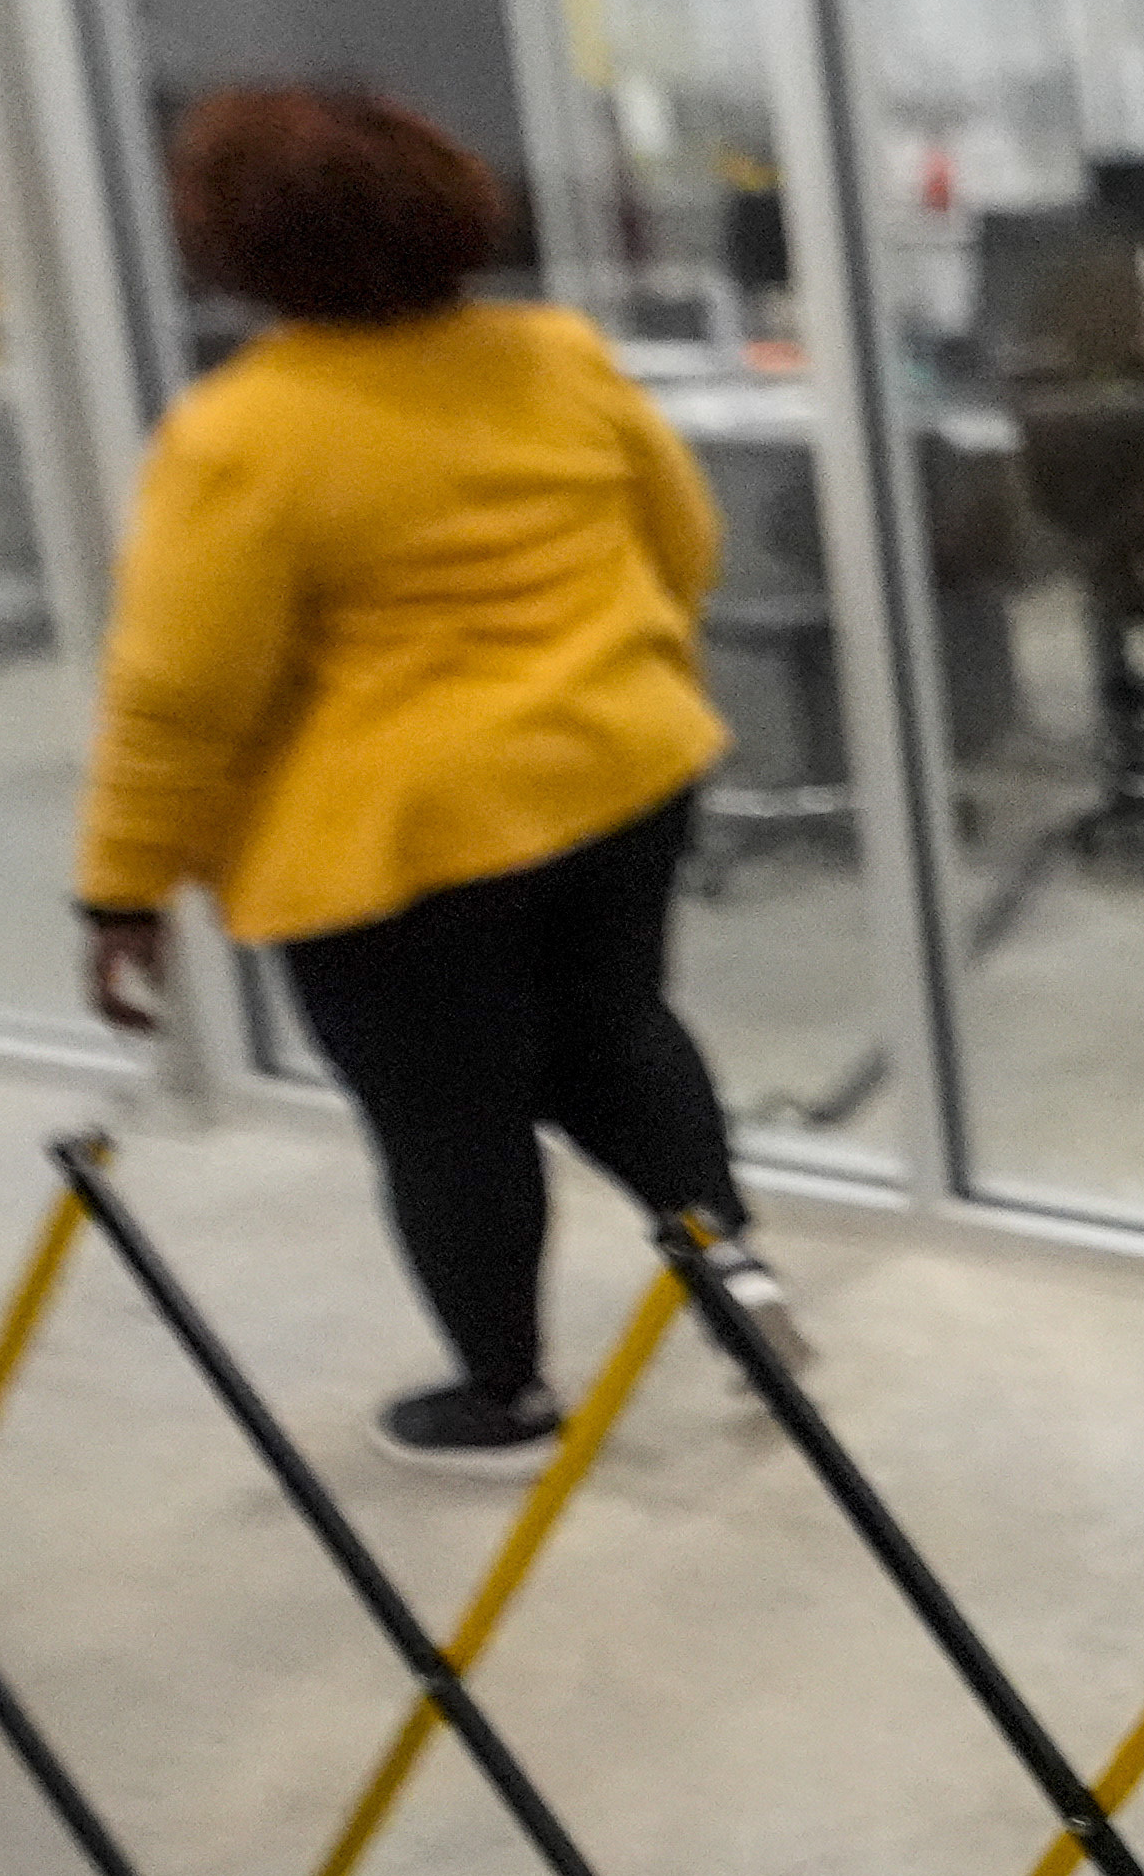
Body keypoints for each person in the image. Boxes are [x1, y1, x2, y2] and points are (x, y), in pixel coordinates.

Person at [75, 87, 791, 1473]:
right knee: (620, 1033)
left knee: (449, 1119)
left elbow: (178, 700)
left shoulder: (242, 435)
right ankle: (734, 1278)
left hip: (399, 846)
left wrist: (121, 888)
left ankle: (503, 1397)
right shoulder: (561, 355)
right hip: (620, 769)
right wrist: (599, 672)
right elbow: (682, 540)